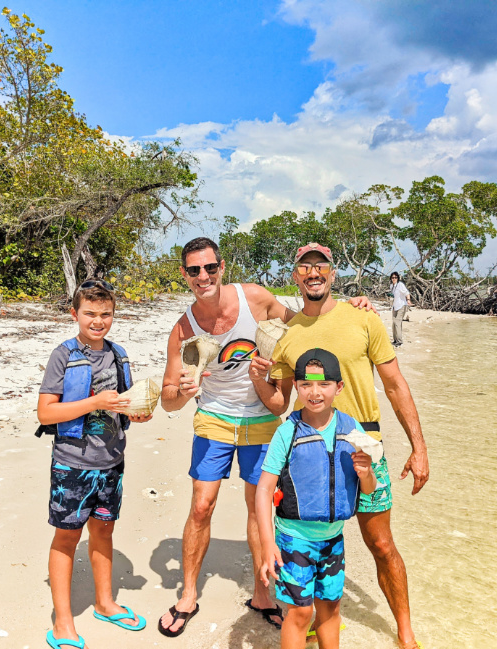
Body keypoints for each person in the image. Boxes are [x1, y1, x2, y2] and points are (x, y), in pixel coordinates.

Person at [157, 237, 375, 637]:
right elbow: (167, 400)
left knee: (258, 505)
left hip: (263, 418)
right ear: (185, 275)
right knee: (202, 506)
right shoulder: (183, 329)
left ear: (222, 268)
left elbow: (305, 319)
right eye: (194, 270)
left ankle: (263, 594)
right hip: (214, 419)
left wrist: (349, 306)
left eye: (209, 268)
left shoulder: (255, 298)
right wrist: (182, 393)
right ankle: (188, 595)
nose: (203, 276)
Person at [249, 243, 429, 649]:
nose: (313, 274)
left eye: (321, 267)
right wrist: (260, 377)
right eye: (304, 268)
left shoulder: (362, 316)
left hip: (364, 449)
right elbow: (279, 403)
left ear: (333, 274)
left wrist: (418, 447)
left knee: (382, 545)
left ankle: (404, 631)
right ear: (294, 275)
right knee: (313, 536)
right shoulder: (286, 333)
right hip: (308, 453)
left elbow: (395, 384)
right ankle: (312, 614)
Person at [36, 280, 152, 649]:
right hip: (72, 464)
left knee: (104, 531)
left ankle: (104, 602)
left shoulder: (119, 355)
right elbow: (45, 411)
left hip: (111, 463)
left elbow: (124, 404)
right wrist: (94, 403)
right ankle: (64, 622)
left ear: (114, 316)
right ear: (75, 314)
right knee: (67, 538)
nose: (98, 321)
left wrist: (136, 412)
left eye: (105, 314)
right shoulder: (64, 355)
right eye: (90, 314)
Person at [255, 349, 376, 649]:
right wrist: (268, 545)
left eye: (323, 385)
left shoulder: (353, 431)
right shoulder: (287, 432)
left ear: (339, 387)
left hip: (334, 540)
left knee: (331, 608)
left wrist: (365, 474)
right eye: (306, 384)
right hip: (294, 540)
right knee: (299, 613)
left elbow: (370, 490)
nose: (315, 392)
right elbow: (263, 489)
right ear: (296, 386)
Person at [389, 272, 412, 347]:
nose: (394, 279)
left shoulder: (400, 285)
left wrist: (408, 300)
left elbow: (406, 293)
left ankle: (399, 341)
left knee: (397, 322)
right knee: (394, 324)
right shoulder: (391, 286)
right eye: (393, 277)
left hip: (402, 306)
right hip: (395, 307)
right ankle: (395, 340)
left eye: (395, 277)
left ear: (398, 278)